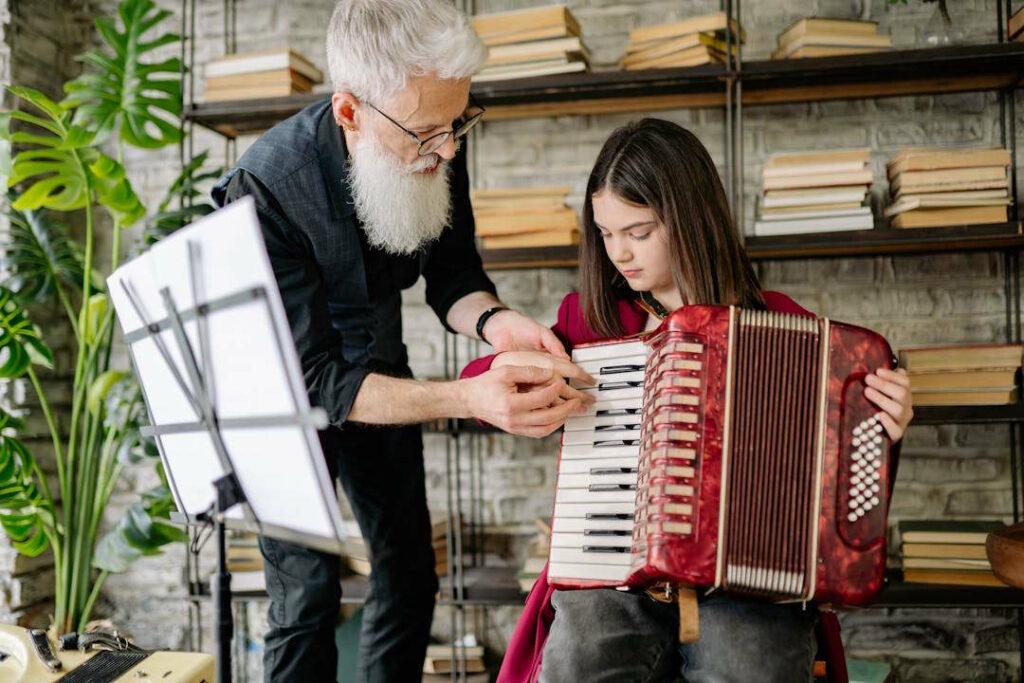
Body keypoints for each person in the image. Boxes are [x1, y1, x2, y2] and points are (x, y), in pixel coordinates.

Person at [211, 1, 594, 680]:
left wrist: (498, 323)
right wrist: (469, 395)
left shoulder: (435, 126)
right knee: (306, 597)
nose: (446, 149)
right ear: (350, 113)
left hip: (379, 366)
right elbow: (318, 380)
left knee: (411, 574)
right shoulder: (268, 187)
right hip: (282, 392)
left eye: (456, 125)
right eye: (426, 133)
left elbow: (453, 277)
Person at [461, 118, 914, 683]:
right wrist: (509, 372)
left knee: (748, 669)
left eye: (640, 231)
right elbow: (483, 383)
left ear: (691, 218)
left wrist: (881, 421)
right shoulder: (594, 321)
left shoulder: (778, 321)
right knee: (579, 660)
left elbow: (842, 473)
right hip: (614, 568)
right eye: (605, 232)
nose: (619, 252)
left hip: (746, 581)